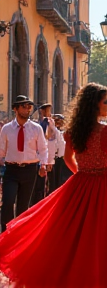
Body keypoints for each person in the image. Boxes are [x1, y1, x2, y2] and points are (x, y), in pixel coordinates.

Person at [0, 83, 107, 288]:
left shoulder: (74, 132)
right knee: (104, 237)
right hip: (104, 187)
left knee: (70, 235)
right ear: (95, 105)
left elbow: (68, 159)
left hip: (80, 185)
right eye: (106, 101)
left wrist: (81, 174)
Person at [0, 95, 48, 233]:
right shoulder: (7, 129)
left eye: (29, 107)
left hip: (30, 170)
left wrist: (43, 165)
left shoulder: (36, 128)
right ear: (15, 109)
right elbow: (2, 150)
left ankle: (18, 234)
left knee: (23, 206)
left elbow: (43, 149)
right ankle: (5, 232)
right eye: (24, 106)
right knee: (8, 201)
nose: (27, 109)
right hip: (11, 169)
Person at [31, 103, 57, 205]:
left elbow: (51, 142)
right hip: (34, 157)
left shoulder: (49, 123)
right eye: (45, 110)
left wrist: (49, 161)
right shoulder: (37, 123)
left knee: (41, 187)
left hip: (43, 157)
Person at [52, 114, 73, 189]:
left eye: (60, 121)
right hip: (55, 158)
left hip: (64, 158)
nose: (59, 123)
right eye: (57, 121)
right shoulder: (53, 131)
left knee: (63, 178)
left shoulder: (65, 132)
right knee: (55, 180)